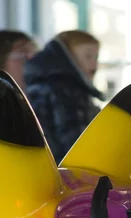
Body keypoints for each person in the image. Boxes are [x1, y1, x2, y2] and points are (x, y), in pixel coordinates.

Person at [24, 30, 104, 164]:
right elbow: (74, 141)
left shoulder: (50, 87)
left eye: (96, 57)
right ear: (67, 57)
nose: (94, 65)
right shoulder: (66, 92)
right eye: (88, 56)